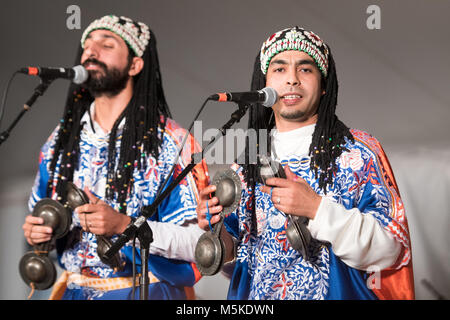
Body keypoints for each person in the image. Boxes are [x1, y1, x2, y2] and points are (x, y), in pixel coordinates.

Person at [196, 26, 414, 300]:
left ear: (324, 86)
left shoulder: (358, 153)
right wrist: (215, 231)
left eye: (305, 69)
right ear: (263, 84)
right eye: (279, 69)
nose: (292, 80)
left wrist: (316, 208)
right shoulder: (245, 166)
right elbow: (239, 256)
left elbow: (391, 248)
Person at [22, 15, 208, 300]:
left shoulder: (171, 142)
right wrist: (38, 233)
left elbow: (202, 244)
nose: (91, 52)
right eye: (87, 45)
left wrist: (124, 226)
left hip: (144, 291)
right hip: (73, 290)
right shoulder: (58, 142)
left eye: (106, 44)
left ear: (135, 65)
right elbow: (40, 218)